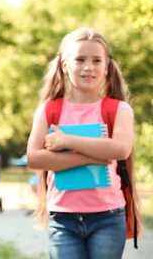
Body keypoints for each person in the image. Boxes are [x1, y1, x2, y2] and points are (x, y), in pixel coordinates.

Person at [26, 27, 142, 259]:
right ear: (64, 65)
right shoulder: (49, 110)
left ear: (106, 67)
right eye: (80, 59)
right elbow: (35, 158)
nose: (88, 67)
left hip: (108, 216)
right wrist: (95, 153)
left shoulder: (118, 109)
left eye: (96, 60)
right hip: (63, 217)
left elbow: (120, 149)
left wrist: (66, 141)